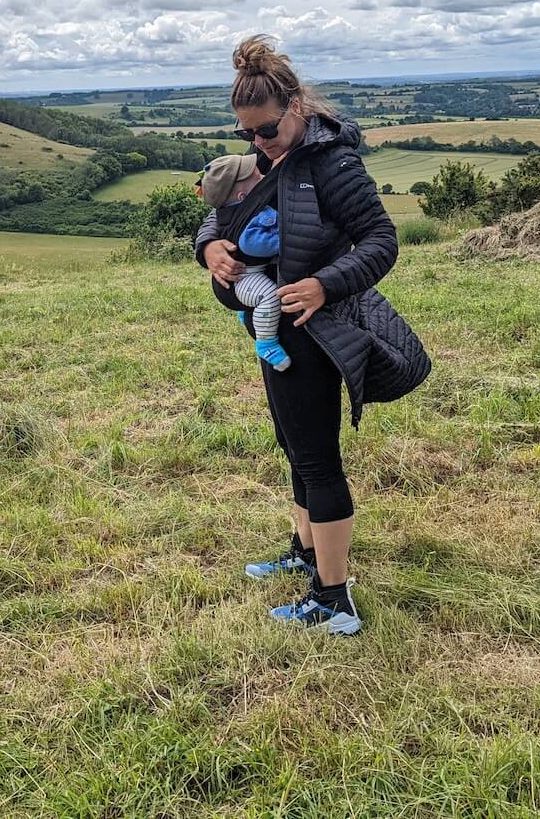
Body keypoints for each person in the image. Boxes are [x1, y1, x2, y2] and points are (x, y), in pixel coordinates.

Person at [196, 34, 410, 636]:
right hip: (276, 333)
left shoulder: (333, 163)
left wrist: (322, 285)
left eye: (266, 130)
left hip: (318, 332)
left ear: (295, 108)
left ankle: (333, 597)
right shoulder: (269, 160)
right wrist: (209, 247)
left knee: (318, 458)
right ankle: (305, 550)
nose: (257, 144)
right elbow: (221, 216)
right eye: (246, 135)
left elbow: (380, 241)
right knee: (293, 446)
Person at [196, 153, 291, 371]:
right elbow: (253, 244)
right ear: (242, 196)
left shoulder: (236, 208)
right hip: (245, 277)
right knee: (270, 296)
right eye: (258, 178)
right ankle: (266, 343)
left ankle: (247, 310)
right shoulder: (248, 217)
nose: (264, 177)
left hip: (245, 277)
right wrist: (288, 240)